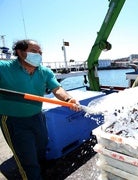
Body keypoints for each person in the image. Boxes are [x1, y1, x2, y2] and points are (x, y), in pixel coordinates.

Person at [0, 39, 80, 179]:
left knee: (41, 149)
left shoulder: (44, 72)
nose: (38, 55)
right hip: (13, 120)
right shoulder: (4, 68)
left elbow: (57, 88)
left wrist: (68, 99)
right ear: (19, 52)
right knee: (28, 160)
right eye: (33, 51)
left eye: (40, 52)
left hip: (37, 117)